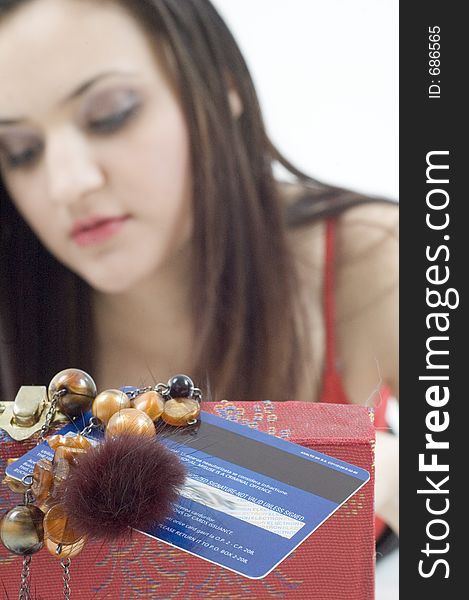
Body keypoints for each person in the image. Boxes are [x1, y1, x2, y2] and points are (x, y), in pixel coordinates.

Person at [0, 0, 398, 544]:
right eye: (20, 151)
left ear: (223, 86)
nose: (67, 183)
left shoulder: (375, 259)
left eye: (110, 114)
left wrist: (395, 481)